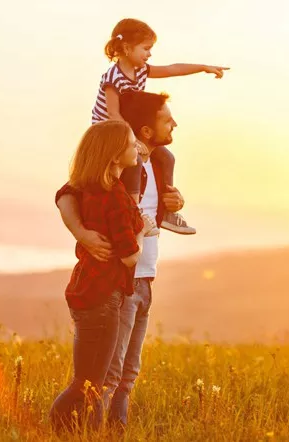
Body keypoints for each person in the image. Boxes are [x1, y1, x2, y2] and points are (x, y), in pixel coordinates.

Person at [56, 90, 186, 430]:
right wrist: (82, 233)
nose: (174, 123)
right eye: (166, 119)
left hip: (143, 278)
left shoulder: (158, 165)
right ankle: (87, 431)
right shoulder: (113, 177)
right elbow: (68, 194)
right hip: (118, 281)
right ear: (144, 130)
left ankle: (114, 431)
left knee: (128, 373)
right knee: (105, 375)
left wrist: (174, 205)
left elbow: (147, 220)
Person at [49, 119, 156, 433]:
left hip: (86, 290)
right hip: (104, 297)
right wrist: (143, 230)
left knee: (86, 380)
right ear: (113, 155)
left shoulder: (95, 190)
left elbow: (66, 193)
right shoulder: (115, 198)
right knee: (91, 383)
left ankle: (67, 430)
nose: (136, 147)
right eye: (130, 142)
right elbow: (129, 256)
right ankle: (64, 429)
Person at [92, 17, 229, 235]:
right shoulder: (113, 77)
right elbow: (113, 114)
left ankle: (166, 212)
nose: (149, 54)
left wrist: (203, 67)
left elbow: (173, 69)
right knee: (135, 160)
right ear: (127, 48)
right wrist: (132, 140)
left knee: (167, 157)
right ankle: (134, 212)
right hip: (109, 131)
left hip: (129, 129)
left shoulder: (142, 70)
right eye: (145, 49)